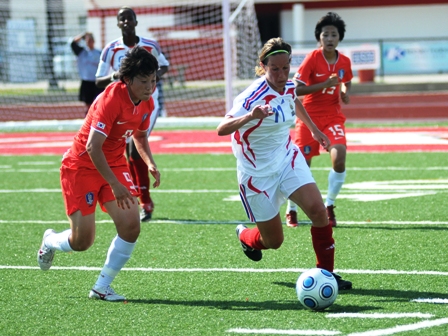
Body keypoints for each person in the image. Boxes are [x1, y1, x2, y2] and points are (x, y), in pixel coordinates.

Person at [216, 37, 352, 290]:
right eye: (274, 69)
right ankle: (246, 237)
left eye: (285, 67)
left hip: (287, 158)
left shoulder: (288, 85)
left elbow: (294, 100)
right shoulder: (252, 96)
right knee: (273, 241)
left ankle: (327, 275)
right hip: (257, 175)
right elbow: (221, 128)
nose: (281, 74)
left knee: (318, 211)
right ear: (263, 66)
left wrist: (314, 130)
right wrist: (250, 116)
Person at [37, 46, 161, 301]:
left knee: (131, 226)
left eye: (153, 80)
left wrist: (150, 162)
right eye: (144, 81)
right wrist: (115, 185)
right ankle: (50, 241)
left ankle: (101, 287)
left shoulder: (147, 100)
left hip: (113, 164)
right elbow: (92, 147)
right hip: (81, 166)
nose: (150, 87)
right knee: (82, 242)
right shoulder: (112, 98)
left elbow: (139, 135)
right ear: (127, 79)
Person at [96, 6, 169, 221]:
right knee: (126, 151)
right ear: (118, 24)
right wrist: (116, 76)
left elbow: (164, 66)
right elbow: (98, 80)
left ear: (136, 22)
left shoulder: (150, 45)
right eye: (122, 19)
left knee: (135, 148)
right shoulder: (110, 49)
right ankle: (138, 198)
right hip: (122, 104)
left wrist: (147, 79)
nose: (126, 22)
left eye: (130, 18)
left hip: (147, 103)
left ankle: (145, 201)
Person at [286, 12, 353, 228]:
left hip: (333, 116)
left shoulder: (345, 61)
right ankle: (292, 209)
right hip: (309, 117)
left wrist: (344, 90)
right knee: (302, 164)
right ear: (319, 38)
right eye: (326, 35)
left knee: (339, 156)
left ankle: (330, 205)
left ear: (339, 37)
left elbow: (347, 80)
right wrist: (324, 86)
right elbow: (296, 89)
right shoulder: (312, 59)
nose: (330, 38)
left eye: (334, 34)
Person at [70, 32, 104, 115]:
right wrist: (83, 35)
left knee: (98, 102)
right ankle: (88, 119)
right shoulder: (82, 52)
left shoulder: (99, 52)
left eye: (91, 40)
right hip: (86, 81)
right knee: (88, 104)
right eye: (88, 40)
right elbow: (73, 43)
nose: (90, 42)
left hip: (97, 82)